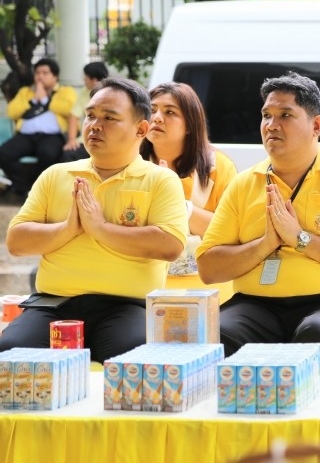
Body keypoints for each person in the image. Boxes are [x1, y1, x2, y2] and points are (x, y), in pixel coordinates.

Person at [196, 72, 320, 373]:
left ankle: (313, 421)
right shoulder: (244, 183)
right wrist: (265, 245)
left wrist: (300, 239)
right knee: (218, 335)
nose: (271, 125)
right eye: (266, 115)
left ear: (316, 126)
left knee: (319, 335)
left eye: (285, 115)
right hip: (256, 304)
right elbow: (209, 268)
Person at [0, 77, 188, 362]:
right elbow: (17, 242)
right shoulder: (56, 174)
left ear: (141, 129)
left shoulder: (161, 180)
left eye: (109, 118)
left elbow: (170, 245)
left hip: (126, 306)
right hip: (53, 305)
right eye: (90, 115)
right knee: (12, 354)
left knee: (136, 358)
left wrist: (100, 228)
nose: (94, 125)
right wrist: (68, 228)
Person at [141, 82, 238, 301]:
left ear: (190, 125)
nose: (157, 117)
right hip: (142, 282)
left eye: (170, 112)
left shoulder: (218, 167)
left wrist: (179, 205)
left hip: (206, 285)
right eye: (152, 110)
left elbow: (230, 232)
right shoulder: (131, 164)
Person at [0, 58, 77, 199]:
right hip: (26, 136)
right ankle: (24, 188)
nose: (40, 76)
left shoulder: (65, 91)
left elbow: (70, 109)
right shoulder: (25, 92)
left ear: (55, 76)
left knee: (48, 154)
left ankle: (39, 190)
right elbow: (12, 112)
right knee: (4, 153)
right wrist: (34, 100)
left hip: (52, 136)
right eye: (37, 73)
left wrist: (46, 100)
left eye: (45, 73)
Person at [62, 62, 109, 162]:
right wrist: (71, 140)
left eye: (86, 76)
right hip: (88, 139)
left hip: (108, 140)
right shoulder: (85, 92)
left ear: (94, 80)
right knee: (68, 153)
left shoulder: (113, 93)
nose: (84, 79)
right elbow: (74, 116)